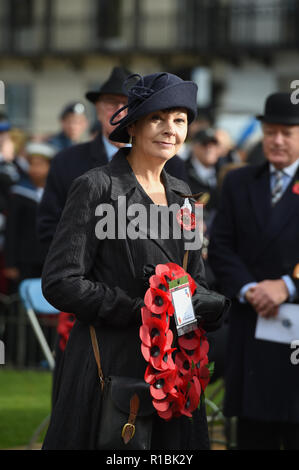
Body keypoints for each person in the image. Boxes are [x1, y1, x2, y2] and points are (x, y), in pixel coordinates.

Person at [41, 71, 229, 450]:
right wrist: (138, 309)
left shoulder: (187, 200)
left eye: (179, 120)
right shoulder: (96, 187)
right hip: (107, 367)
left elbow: (196, 280)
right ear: (136, 126)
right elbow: (61, 281)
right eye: (158, 118)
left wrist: (206, 304)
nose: (170, 129)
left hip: (174, 374)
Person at [208, 92, 299, 450]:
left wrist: (288, 286)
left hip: (294, 330)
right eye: (271, 131)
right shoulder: (238, 182)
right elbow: (221, 247)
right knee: (251, 433)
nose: (277, 140)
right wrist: (250, 289)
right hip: (251, 323)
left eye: (287, 133)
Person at [37, 66, 189, 258]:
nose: (119, 111)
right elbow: (48, 225)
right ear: (97, 109)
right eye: (111, 103)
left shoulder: (174, 167)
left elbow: (185, 243)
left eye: (126, 104)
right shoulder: (67, 161)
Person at [4, 142, 55, 290]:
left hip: (49, 257)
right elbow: (11, 230)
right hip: (24, 259)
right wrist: (10, 263)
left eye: (40, 165)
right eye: (32, 164)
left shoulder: (56, 192)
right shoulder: (19, 192)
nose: (35, 169)